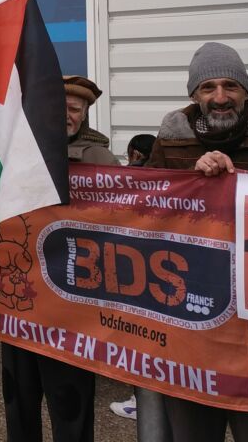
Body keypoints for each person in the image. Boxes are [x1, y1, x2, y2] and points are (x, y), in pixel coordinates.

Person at [145, 41, 248, 441]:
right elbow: (145, 206)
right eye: (208, 87)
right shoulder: (171, 138)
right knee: (192, 429)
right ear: (194, 95)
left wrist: (237, 180)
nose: (220, 97)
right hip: (190, 317)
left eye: (231, 86)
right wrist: (190, 182)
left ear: (246, 92)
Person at [2, 74, 114, 442]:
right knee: (19, 401)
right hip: (21, 302)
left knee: (70, 407)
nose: (66, 114)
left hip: (72, 308)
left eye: (75, 109)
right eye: (59, 105)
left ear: (84, 115)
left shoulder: (100, 160)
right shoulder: (15, 153)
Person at [109, 133, 157, 423]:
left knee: (138, 335)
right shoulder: (167, 180)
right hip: (156, 271)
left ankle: (140, 400)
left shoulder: (129, 180)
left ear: (135, 154)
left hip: (131, 269)